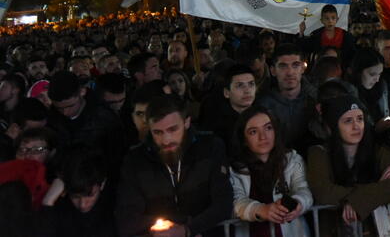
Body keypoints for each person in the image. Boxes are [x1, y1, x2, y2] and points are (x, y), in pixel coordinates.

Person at [116, 94, 233, 237]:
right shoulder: (135, 160)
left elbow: (223, 204)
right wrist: (180, 225)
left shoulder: (210, 147)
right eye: (157, 132)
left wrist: (188, 229)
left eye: (173, 129)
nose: (166, 140)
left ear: (186, 122)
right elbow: (127, 218)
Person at [307, 96, 390, 236]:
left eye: (360, 119)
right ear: (332, 126)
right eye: (348, 121)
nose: (356, 126)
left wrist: (358, 199)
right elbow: (323, 192)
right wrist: (377, 187)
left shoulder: (378, 151)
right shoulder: (318, 153)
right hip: (336, 230)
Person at [229, 106, 313, 237]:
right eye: (253, 132)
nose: (263, 137)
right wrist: (262, 210)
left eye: (268, 128)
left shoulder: (292, 159)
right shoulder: (236, 169)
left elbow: (303, 189)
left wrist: (298, 203)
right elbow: (236, 202)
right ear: (244, 140)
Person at [47, 71, 126, 175]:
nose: (65, 112)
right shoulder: (50, 119)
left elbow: (117, 158)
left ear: (82, 92)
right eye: (59, 108)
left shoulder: (106, 118)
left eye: (70, 106)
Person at [36, 146, 115, 237]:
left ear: (103, 184)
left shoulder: (112, 209)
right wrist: (48, 202)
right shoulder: (60, 207)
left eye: (90, 195)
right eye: (75, 197)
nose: (82, 204)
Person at [257, 44, 317, 153]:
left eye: (295, 65)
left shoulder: (315, 100)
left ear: (303, 68)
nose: (290, 72)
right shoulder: (263, 105)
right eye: (283, 66)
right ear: (273, 71)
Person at [200, 64, 257, 152]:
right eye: (239, 85)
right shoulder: (217, 125)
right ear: (227, 93)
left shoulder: (264, 116)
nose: (247, 90)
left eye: (251, 84)